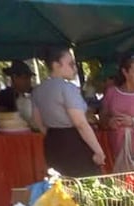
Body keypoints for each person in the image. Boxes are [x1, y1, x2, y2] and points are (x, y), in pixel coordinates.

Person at [32, 47, 106, 177]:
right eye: (71, 64)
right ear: (56, 65)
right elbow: (80, 123)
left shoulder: (38, 90)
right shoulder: (68, 88)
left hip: (52, 141)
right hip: (74, 143)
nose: (75, 69)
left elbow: (38, 122)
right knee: (83, 187)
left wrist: (54, 133)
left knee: (60, 187)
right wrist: (98, 151)